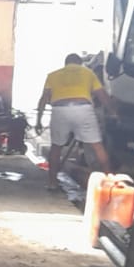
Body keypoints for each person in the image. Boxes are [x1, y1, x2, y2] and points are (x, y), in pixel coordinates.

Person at [36, 53, 112, 191]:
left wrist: (38, 121)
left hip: (60, 110)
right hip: (83, 109)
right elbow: (102, 95)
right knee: (97, 146)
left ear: (66, 64)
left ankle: (52, 183)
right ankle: (109, 183)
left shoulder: (53, 75)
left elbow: (43, 99)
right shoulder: (88, 73)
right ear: (80, 63)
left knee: (56, 147)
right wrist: (113, 112)